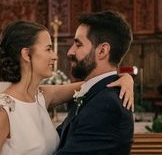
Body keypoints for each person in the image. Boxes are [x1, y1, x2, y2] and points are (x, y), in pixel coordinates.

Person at [0, 20, 133, 155]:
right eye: (48, 49)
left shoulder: (41, 96)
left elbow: (94, 85)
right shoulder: (3, 111)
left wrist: (125, 78)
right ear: (26, 55)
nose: (55, 56)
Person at [55, 11, 134, 155]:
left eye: (78, 45)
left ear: (102, 50)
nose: (70, 52)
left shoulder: (106, 105)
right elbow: (57, 139)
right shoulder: (95, 94)